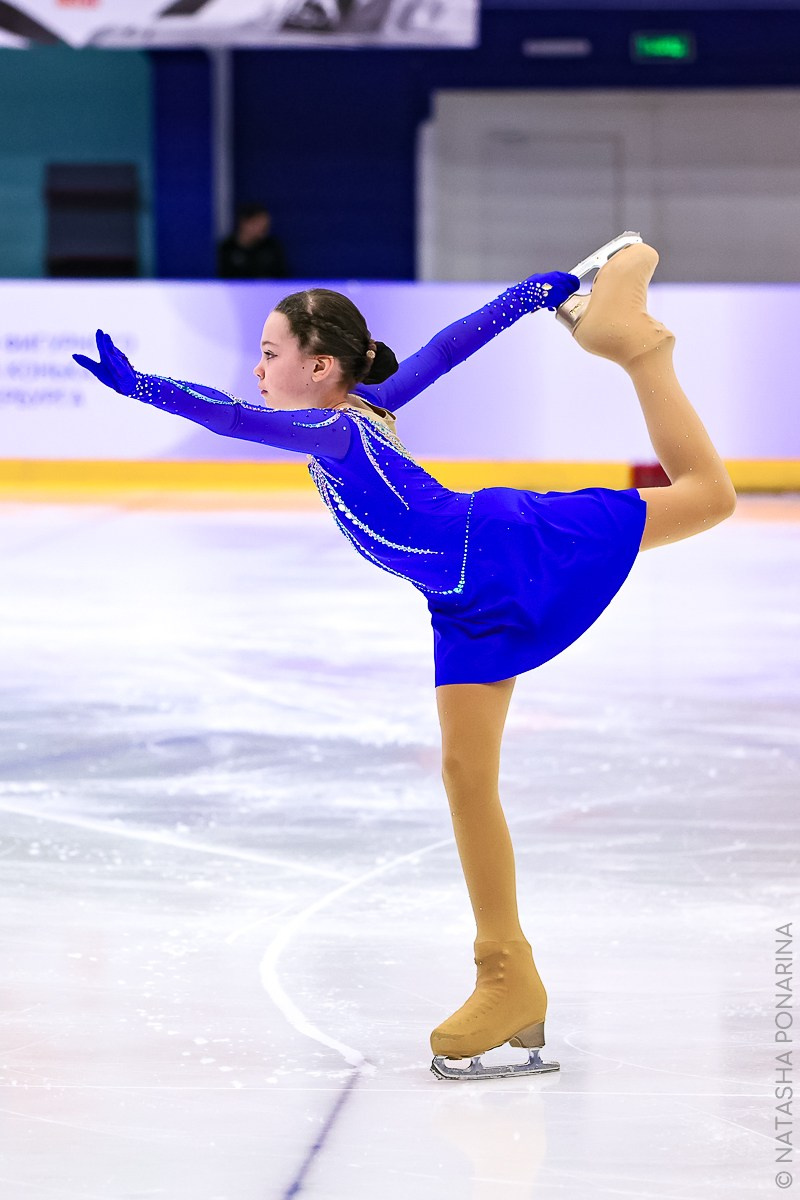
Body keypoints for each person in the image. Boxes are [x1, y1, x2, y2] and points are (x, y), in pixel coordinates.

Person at [73, 234, 737, 1082]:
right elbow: (448, 346)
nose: (258, 368)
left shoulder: (328, 428)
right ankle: (509, 977)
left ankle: (642, 348)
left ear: (319, 369)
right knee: (466, 776)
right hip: (459, 603)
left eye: (271, 352)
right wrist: (529, 294)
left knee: (708, 497)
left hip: (499, 550)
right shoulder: (366, 411)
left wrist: (146, 388)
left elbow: (236, 418)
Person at [217, 202, 289, 279]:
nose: (263, 228)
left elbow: (282, 277)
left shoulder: (272, 246)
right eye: (257, 223)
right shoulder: (227, 247)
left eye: (266, 225)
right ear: (244, 222)